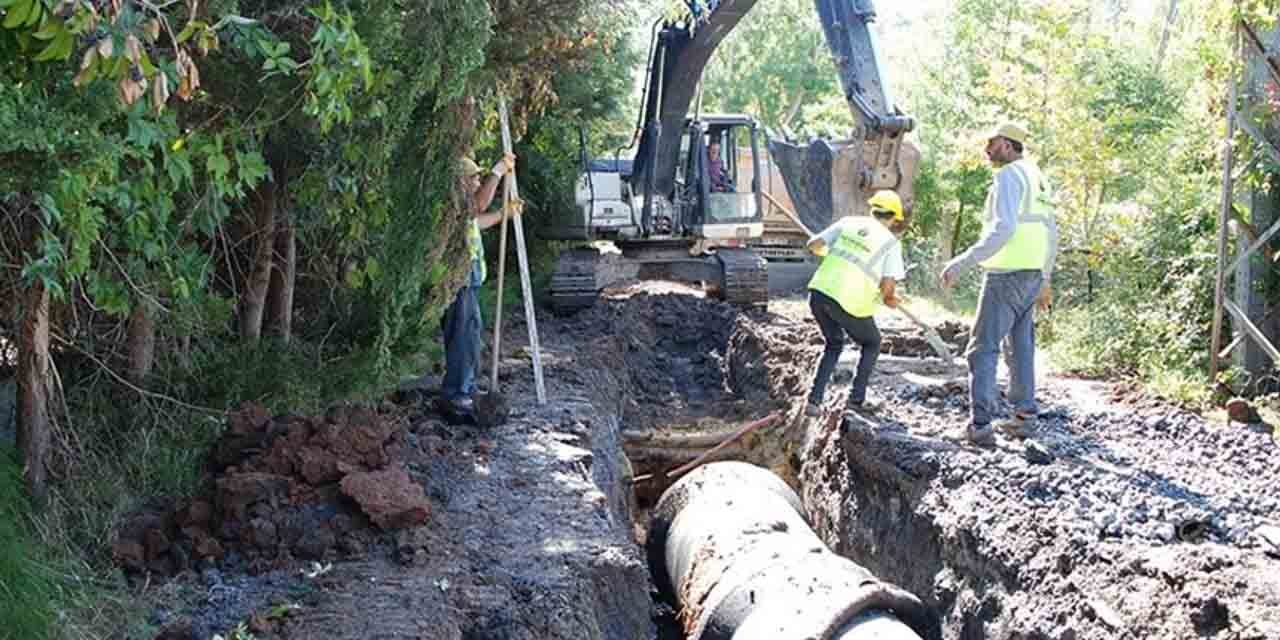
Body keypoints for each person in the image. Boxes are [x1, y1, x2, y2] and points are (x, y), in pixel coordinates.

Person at [940, 122, 1057, 445]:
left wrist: (962, 262)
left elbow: (1003, 229)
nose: (987, 149)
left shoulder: (1008, 176)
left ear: (1007, 144)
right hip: (1031, 273)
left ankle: (979, 426)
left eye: (991, 143)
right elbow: (1051, 231)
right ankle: (1025, 416)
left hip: (1006, 274)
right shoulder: (1038, 178)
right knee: (1020, 348)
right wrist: (1045, 277)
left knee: (982, 349)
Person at [803, 190, 908, 417]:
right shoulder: (890, 243)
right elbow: (888, 286)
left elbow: (813, 244)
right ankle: (856, 400)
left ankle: (814, 401)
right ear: (893, 217)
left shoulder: (849, 223)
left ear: (872, 209)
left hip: (819, 293)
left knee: (833, 343)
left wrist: (826, 250)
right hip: (848, 302)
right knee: (872, 343)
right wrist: (890, 299)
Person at [440, 152, 519, 417]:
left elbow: (476, 220)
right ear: (460, 182)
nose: (476, 183)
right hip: (459, 278)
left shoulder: (463, 210)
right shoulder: (453, 205)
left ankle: (466, 387)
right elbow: (477, 207)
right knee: (462, 336)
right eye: (473, 178)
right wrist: (497, 172)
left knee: (470, 336)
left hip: (469, 279)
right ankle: (457, 395)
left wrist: (503, 215)